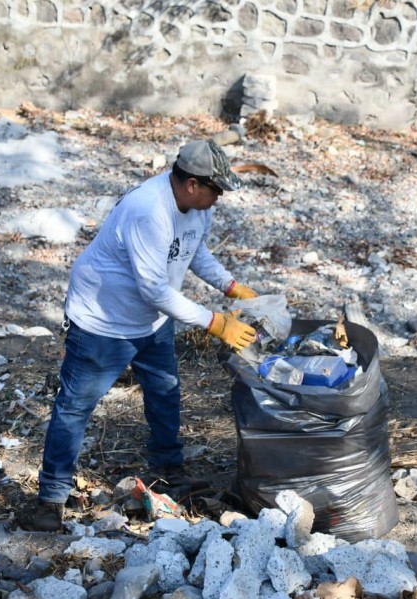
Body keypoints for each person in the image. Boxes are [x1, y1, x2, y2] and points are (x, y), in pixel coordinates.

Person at [20, 140, 259, 531]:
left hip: (150, 321)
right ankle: (50, 499)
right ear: (193, 184)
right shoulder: (149, 211)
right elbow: (156, 290)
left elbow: (194, 253)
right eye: (216, 188)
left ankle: (168, 469)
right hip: (103, 321)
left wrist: (231, 286)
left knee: (165, 392)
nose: (220, 196)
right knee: (75, 407)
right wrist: (216, 323)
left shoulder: (196, 209)